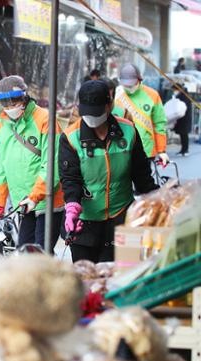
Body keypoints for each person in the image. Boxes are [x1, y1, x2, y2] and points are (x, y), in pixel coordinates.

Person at [60, 80, 158, 263]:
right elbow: (70, 178)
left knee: (126, 276)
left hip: (122, 218)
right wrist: (72, 207)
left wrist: (157, 201)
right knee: (89, 282)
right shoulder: (71, 138)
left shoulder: (128, 131)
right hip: (85, 223)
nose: (91, 119)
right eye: (86, 113)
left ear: (109, 105)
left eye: (96, 112)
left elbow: (142, 175)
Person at [0, 75, 64, 250]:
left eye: (14, 101)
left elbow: (52, 164)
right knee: (23, 251)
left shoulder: (45, 120)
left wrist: (34, 196)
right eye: (5, 103)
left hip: (48, 202)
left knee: (41, 254)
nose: (10, 107)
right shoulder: (2, 126)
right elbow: (0, 167)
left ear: (24, 97)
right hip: (23, 204)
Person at [112, 64, 169, 165]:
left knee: (144, 180)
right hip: (120, 150)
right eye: (126, 85)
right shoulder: (116, 95)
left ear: (139, 80)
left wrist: (161, 151)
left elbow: (159, 125)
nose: (129, 87)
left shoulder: (152, 95)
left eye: (131, 84)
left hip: (146, 150)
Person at [174, 84, 192, 156]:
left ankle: (185, 150)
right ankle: (182, 150)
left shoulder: (184, 96)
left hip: (185, 118)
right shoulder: (181, 95)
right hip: (181, 118)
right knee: (182, 135)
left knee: (184, 135)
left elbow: (182, 106)